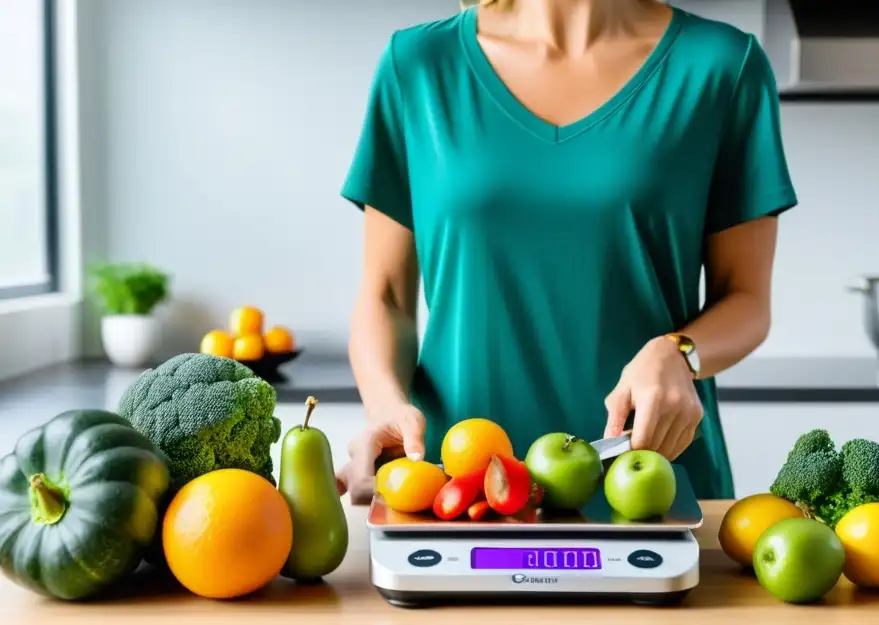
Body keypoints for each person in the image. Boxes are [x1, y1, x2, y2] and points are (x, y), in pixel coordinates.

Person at [336, 0, 797, 505]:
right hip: (458, 492)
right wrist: (384, 405)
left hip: (651, 485)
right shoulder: (419, 64)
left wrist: (680, 352)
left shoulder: (723, 67)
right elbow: (385, 297)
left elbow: (748, 301)